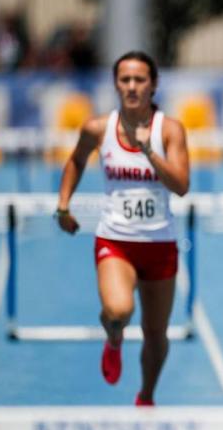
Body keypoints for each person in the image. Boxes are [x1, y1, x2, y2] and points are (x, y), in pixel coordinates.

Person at [55, 51, 190, 405]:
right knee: (118, 311)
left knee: (155, 333)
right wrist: (63, 205)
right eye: (125, 80)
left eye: (139, 80)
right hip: (116, 239)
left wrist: (148, 150)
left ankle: (146, 395)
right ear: (116, 84)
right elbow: (75, 161)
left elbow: (181, 185)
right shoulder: (98, 128)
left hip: (160, 243)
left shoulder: (170, 130)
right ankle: (114, 339)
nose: (132, 87)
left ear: (153, 85)